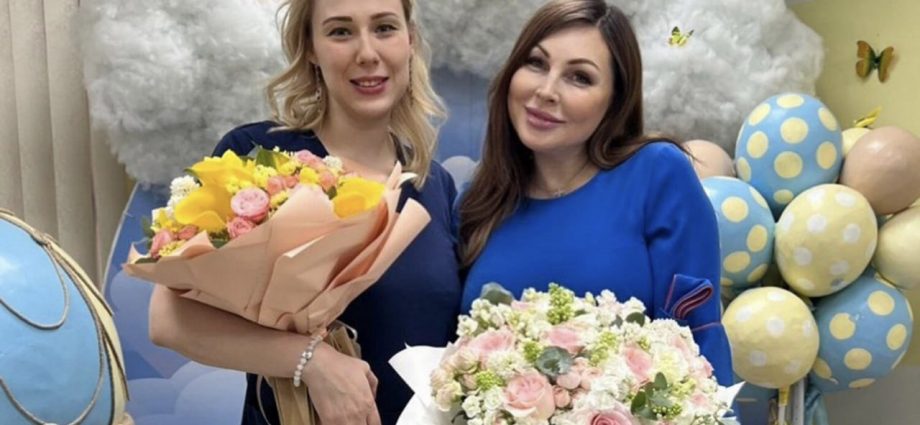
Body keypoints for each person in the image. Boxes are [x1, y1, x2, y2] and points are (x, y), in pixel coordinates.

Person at [147, 0, 462, 424]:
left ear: (410, 41)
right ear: (311, 47)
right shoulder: (257, 157)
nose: (367, 53)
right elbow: (168, 321)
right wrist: (310, 361)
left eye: (384, 28)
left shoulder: (434, 186)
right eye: (340, 32)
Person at [458, 0, 733, 385]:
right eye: (536, 63)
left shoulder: (656, 175)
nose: (546, 91)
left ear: (615, 102)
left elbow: (700, 348)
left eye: (579, 77)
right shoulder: (477, 203)